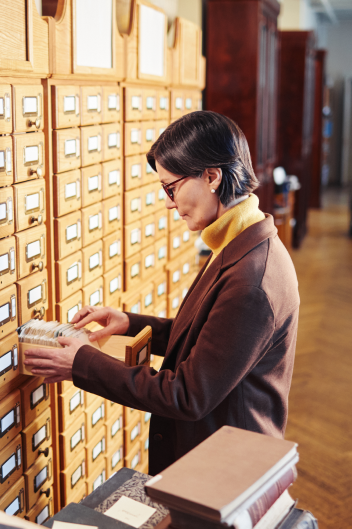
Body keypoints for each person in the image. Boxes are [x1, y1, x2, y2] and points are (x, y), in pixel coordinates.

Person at [24, 111, 300, 474]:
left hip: (225, 472)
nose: (169, 203)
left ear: (212, 176)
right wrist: (131, 324)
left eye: (171, 188)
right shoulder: (239, 240)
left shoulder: (252, 280)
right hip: (216, 454)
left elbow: (186, 395)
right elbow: (210, 340)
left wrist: (82, 363)